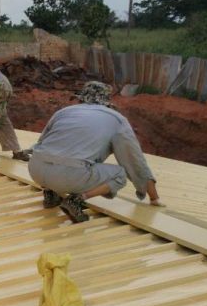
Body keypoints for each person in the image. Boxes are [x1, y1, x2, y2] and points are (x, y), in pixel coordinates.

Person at [29, 81, 162, 223]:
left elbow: (42, 142)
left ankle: (51, 193)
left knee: (58, 156)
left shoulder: (64, 112)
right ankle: (77, 200)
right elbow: (135, 162)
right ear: (105, 99)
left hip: (35, 169)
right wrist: (154, 198)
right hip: (69, 175)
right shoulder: (116, 119)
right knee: (119, 175)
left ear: (82, 97)